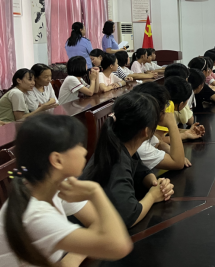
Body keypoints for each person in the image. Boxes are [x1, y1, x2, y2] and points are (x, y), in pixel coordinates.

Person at [0, 114, 133, 267]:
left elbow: (97, 222)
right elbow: (119, 246)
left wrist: (72, 259)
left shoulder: (51, 185)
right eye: (78, 145)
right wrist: (95, 193)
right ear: (57, 160)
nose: (84, 151)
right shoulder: (35, 215)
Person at [81, 93, 175, 228]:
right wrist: (153, 196)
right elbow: (129, 217)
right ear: (146, 131)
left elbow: (140, 170)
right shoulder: (117, 161)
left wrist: (155, 183)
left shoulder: (119, 145)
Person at [131, 82, 189, 169]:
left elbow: (159, 143)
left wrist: (171, 151)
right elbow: (178, 163)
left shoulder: (137, 127)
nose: (166, 112)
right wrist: (172, 123)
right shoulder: (139, 146)